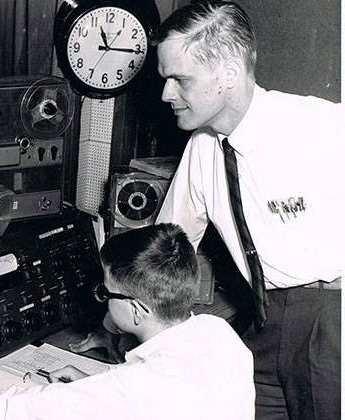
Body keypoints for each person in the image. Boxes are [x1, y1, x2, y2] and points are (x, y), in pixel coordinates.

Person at [147, 2, 341, 419]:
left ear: (230, 73)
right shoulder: (202, 147)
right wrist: (113, 324)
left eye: (180, 79)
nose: (166, 94)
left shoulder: (322, 127)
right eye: (165, 80)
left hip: (331, 322)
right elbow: (168, 243)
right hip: (263, 318)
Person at [0, 223, 254, 420]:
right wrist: (92, 385)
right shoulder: (221, 336)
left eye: (106, 292)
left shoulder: (132, 391)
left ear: (136, 309)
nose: (99, 297)